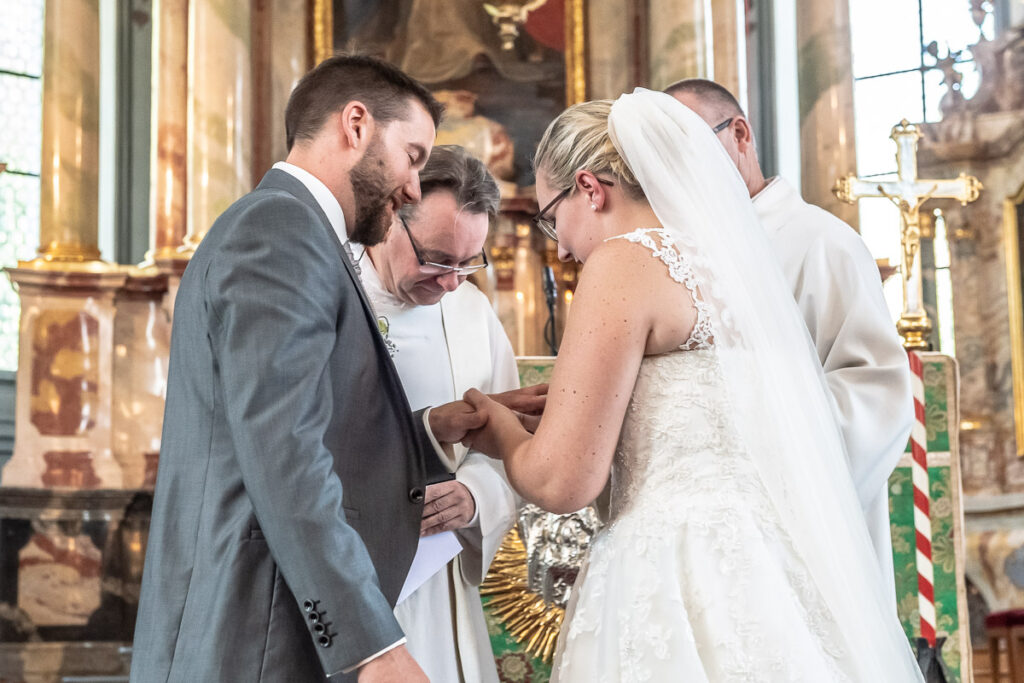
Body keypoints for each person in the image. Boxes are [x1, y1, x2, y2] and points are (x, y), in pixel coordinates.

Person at [463, 89, 923, 681]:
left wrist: (498, 430)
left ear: (590, 188)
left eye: (553, 222)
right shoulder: (734, 262)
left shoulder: (623, 261)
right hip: (774, 565)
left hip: (674, 566)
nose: (566, 250)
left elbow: (562, 480)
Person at [131, 56, 537, 683]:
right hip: (257, 620)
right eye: (412, 156)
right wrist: (371, 645)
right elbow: (285, 452)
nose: (410, 186)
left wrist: (430, 429)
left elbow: (313, 425)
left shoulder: (292, 232)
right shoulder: (281, 230)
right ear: (355, 125)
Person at [666, 78, 913, 590]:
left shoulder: (823, 244)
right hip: (710, 531)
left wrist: (750, 429)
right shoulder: (677, 254)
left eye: (689, 148)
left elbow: (878, 396)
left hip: (806, 526)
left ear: (739, 134)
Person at [353, 144, 519, 682]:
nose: (451, 282)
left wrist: (474, 496)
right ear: (390, 217)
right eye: (438, 259)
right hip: (348, 582)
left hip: (438, 582)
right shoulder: (332, 291)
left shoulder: (470, 312)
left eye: (468, 263)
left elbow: (506, 448)